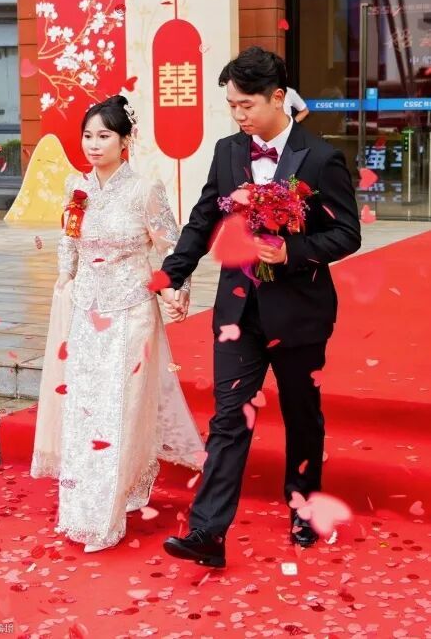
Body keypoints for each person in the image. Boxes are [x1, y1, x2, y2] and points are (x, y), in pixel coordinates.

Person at [159, 47, 361, 568]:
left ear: (277, 98)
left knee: (301, 413)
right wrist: (172, 272)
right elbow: (204, 218)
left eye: (245, 105)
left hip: (299, 312)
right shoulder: (228, 151)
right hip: (238, 312)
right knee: (229, 418)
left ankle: (303, 506)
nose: (238, 116)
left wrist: (292, 251)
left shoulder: (320, 157)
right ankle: (207, 532)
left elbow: (347, 232)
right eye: (231, 105)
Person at [30, 95, 203, 553]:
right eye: (87, 135)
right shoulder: (77, 187)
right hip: (86, 314)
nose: (93, 144)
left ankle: (106, 513)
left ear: (125, 141)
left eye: (103, 135)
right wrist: (64, 279)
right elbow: (68, 239)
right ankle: (81, 507)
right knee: (84, 408)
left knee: (119, 409)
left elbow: (171, 247)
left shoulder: (145, 189)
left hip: (131, 312)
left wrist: (176, 290)